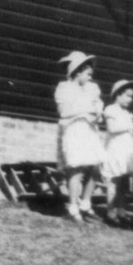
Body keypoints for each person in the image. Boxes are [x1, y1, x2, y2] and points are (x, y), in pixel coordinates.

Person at [55, 51, 105, 223]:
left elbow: (98, 107)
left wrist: (97, 112)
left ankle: (85, 203)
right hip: (74, 131)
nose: (90, 78)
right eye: (87, 74)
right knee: (76, 170)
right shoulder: (64, 88)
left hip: (90, 131)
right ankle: (72, 207)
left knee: (94, 168)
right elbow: (64, 111)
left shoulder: (92, 89)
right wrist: (85, 111)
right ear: (77, 72)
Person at [102, 80, 133, 225]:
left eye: (132, 97)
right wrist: (129, 126)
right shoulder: (111, 110)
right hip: (115, 149)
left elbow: (128, 133)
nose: (130, 100)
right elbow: (112, 129)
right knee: (114, 180)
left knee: (124, 183)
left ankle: (122, 210)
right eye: (127, 96)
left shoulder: (127, 113)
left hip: (126, 150)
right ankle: (110, 211)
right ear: (117, 95)